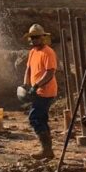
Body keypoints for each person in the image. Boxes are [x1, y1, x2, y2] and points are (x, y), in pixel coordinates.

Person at [17, 23, 57, 160]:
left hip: (46, 91)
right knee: (41, 119)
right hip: (36, 91)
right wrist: (26, 84)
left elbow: (50, 73)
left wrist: (36, 86)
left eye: (36, 37)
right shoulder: (33, 52)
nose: (34, 40)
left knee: (34, 118)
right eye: (32, 38)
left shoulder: (48, 52)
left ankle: (46, 150)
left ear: (43, 37)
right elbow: (28, 69)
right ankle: (48, 150)